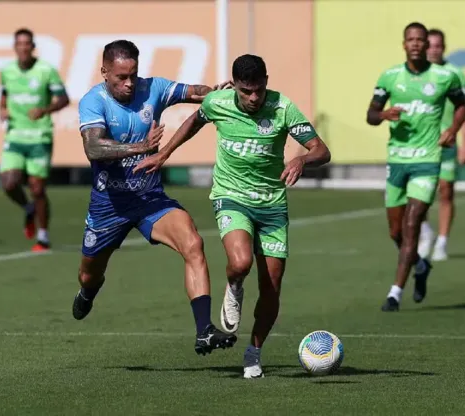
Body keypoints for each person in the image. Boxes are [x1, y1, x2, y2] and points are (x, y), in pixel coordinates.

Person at [134, 54, 331, 378]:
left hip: (272, 204)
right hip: (232, 197)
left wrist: (302, 160)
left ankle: (253, 352)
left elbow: (321, 150)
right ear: (235, 86)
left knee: (272, 287)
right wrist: (164, 154)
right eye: (245, 91)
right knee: (240, 262)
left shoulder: (283, 108)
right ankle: (234, 285)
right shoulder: (217, 102)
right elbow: (194, 121)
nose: (253, 98)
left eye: (258, 90)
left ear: (266, 80)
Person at [72, 39, 236, 356]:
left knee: (193, 243)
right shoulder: (93, 102)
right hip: (109, 206)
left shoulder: (154, 88)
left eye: (133, 75)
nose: (129, 83)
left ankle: (204, 330)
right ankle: (89, 292)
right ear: (104, 72)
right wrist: (141, 148)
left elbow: (194, 92)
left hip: (150, 200)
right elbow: (92, 147)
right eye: (121, 77)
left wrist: (218, 92)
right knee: (88, 274)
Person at [367, 22, 465, 311]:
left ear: (426, 45)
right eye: (410, 39)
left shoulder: (444, 76)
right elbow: (371, 114)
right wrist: (384, 114)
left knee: (412, 225)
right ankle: (421, 266)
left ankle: (394, 293)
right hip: (397, 160)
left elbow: (461, 106)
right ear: (404, 44)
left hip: (427, 160)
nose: (415, 44)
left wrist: (454, 129)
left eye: (420, 40)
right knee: (395, 232)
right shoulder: (390, 77)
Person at [0, 28, 70, 251]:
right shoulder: (7, 71)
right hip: (15, 135)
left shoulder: (46, 70)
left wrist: (46, 109)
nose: (23, 47)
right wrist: (2, 108)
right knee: (9, 184)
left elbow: (64, 99)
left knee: (38, 189)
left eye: (27, 43)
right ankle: (28, 208)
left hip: (40, 136)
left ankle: (43, 236)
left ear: (32, 46)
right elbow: (4, 94)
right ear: (15, 46)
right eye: (19, 43)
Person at [417, 28, 465, 262]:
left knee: (446, 192)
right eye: (430, 45)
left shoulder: (454, 73)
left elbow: (464, 111)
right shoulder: (416, 73)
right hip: (420, 145)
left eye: (438, 45)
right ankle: (425, 233)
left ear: (444, 47)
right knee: (419, 195)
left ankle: (442, 241)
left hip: (446, 144)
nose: (434, 49)